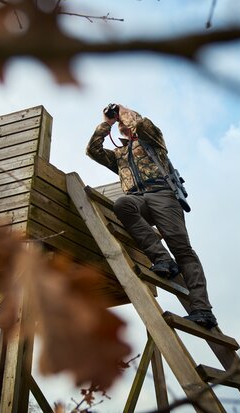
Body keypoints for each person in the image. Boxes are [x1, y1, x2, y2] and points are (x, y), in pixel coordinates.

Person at [86, 104, 218, 329]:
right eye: (118, 123)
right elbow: (92, 150)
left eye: (123, 121)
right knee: (123, 204)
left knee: (182, 249)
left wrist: (124, 111)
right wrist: (106, 123)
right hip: (138, 198)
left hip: (163, 195)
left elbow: (142, 125)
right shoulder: (120, 155)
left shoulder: (153, 140)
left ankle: (203, 310)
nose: (121, 124)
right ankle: (162, 259)